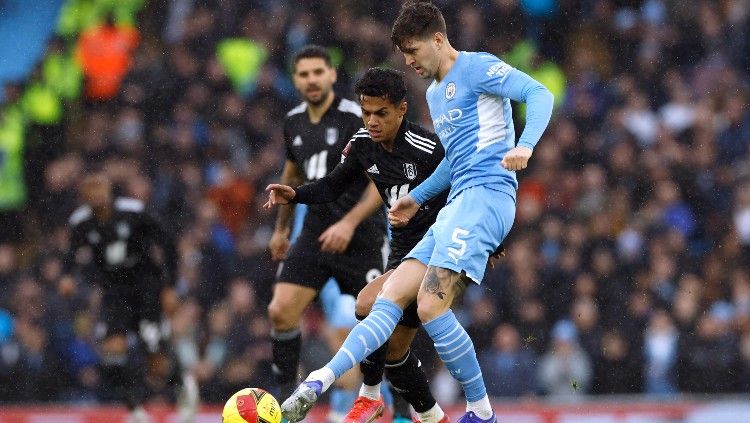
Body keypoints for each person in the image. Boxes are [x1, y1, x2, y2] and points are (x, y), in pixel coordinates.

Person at [280, 2, 554, 423]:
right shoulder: (433, 94)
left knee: (429, 306)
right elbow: (453, 160)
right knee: (380, 302)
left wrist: (526, 144)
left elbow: (539, 93)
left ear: (438, 39)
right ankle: (320, 381)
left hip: (487, 196)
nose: (408, 61)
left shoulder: (479, 68)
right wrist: (418, 196)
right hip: (457, 203)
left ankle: (481, 413)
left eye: (413, 51)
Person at [266, 67, 451, 423]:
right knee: (395, 350)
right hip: (402, 256)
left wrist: (488, 241)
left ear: (401, 109)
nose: (372, 121)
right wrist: (296, 194)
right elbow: (333, 186)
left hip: (437, 253)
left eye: (381, 113)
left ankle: (369, 396)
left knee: (368, 305)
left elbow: (462, 193)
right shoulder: (364, 145)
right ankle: (431, 416)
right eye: (366, 113)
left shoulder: (429, 150)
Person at [266, 45, 387, 419]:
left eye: (318, 72)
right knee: (280, 311)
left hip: (362, 235)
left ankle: (389, 402)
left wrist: (349, 223)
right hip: (316, 232)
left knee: (382, 327)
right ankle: (286, 403)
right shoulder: (293, 122)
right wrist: (281, 229)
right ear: (296, 79)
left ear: (332, 75)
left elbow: (379, 182)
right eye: (303, 74)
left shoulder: (355, 119)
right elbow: (292, 175)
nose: (311, 80)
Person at [63, 173, 198, 423]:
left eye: (99, 186)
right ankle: (135, 411)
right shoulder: (81, 223)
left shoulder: (133, 212)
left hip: (145, 288)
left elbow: (167, 242)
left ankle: (184, 382)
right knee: (112, 352)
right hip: (114, 293)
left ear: (109, 188)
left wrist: (169, 286)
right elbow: (70, 254)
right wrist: (67, 277)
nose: (96, 193)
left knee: (156, 361)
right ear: (82, 195)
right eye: (89, 188)